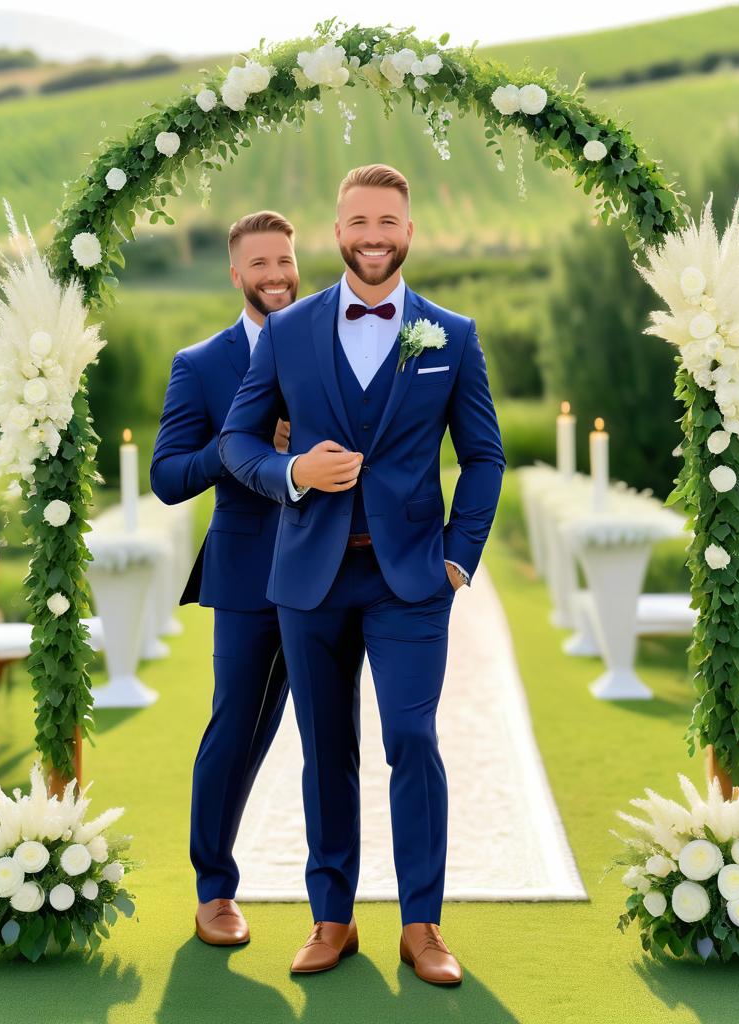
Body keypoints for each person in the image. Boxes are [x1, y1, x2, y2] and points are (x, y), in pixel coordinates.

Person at [219, 164, 505, 985]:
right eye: (358, 222)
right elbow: (240, 442)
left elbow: (483, 457)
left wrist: (459, 555)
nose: (373, 235)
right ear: (337, 231)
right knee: (326, 749)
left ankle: (423, 926)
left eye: (388, 221)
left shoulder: (452, 335)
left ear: (409, 232)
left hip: (411, 579)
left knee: (412, 739)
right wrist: (295, 473)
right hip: (310, 579)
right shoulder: (287, 332)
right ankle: (333, 918)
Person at [150, 210, 299, 947]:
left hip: (335, 574)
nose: (275, 275)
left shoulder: (335, 340)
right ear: (235, 274)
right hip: (246, 576)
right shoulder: (200, 365)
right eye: (260, 264)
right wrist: (232, 445)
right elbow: (168, 477)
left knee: (327, 740)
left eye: (284, 260)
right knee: (235, 730)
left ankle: (331, 910)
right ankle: (214, 887)